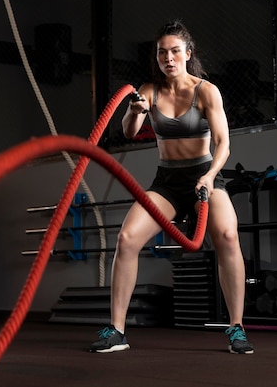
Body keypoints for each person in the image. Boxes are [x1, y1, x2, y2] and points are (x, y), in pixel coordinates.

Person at [89, 20, 254, 354]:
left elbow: (223, 144)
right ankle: (117, 331)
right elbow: (130, 131)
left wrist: (209, 177)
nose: (168, 58)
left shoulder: (205, 91)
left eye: (175, 51)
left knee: (227, 236)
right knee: (126, 238)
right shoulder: (149, 90)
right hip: (167, 181)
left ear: (187, 53)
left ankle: (236, 327)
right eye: (162, 52)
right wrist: (135, 111)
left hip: (204, 176)